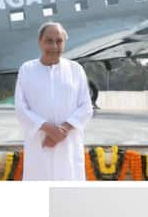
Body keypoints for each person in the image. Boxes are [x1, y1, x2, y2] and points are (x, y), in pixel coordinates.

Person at [14, 21, 93, 181]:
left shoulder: (75, 69)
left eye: (59, 41)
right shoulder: (27, 69)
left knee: (69, 193)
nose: (54, 46)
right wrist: (50, 130)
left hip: (68, 143)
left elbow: (86, 107)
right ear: (39, 42)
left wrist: (62, 130)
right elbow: (21, 109)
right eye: (49, 41)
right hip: (40, 142)